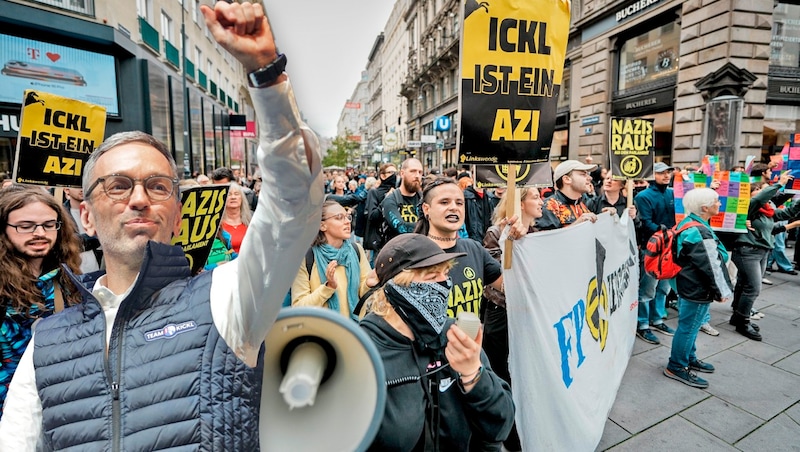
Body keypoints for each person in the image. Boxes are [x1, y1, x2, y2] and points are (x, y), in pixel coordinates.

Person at [0, 3, 323, 449]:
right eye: (117, 186)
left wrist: (265, 76)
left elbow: (294, 203)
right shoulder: (46, 342)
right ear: (86, 215)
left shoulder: (226, 299)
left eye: (157, 186)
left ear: (177, 214)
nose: (138, 199)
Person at [361, 233, 515, 450]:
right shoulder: (364, 351)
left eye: (445, 273)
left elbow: (500, 425)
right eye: (432, 277)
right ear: (397, 286)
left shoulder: (455, 335)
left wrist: (473, 375)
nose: (444, 283)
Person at [0, 187, 83, 419]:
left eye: (49, 225)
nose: (39, 233)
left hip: (58, 410)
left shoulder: (68, 278)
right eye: (25, 226)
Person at [481, 187, 543, 452]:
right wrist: (511, 240)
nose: (541, 201)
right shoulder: (496, 234)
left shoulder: (541, 235)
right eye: (536, 197)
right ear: (519, 204)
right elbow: (493, 282)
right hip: (502, 316)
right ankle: (509, 434)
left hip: (531, 314)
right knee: (504, 375)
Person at [664, 188, 732, 388]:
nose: (719, 204)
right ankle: (676, 366)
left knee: (690, 325)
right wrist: (721, 291)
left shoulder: (690, 223)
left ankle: (688, 357)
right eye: (717, 201)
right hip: (696, 288)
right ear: (705, 207)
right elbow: (711, 266)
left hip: (688, 285)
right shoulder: (699, 230)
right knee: (689, 327)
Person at [730, 173, 800, 340]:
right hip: (747, 251)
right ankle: (743, 322)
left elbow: (786, 214)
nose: (764, 192)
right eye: (760, 189)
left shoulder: (767, 211)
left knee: (743, 284)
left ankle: (738, 317)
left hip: (762, 251)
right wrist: (778, 184)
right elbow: (757, 200)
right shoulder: (750, 206)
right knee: (753, 288)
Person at [292, 200, 371, 319]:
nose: (347, 222)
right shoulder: (306, 257)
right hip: (322, 334)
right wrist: (328, 287)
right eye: (339, 217)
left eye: (348, 217)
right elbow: (299, 308)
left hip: (355, 331)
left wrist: (370, 283)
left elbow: (364, 295)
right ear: (322, 225)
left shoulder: (357, 250)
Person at [634, 162, 678, 344]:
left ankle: (657, 319)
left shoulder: (673, 193)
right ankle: (642, 324)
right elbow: (646, 222)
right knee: (647, 288)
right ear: (653, 175)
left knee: (663, 287)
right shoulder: (643, 196)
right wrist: (668, 233)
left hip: (670, 247)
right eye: (661, 173)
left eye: (668, 172)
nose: (666, 175)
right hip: (652, 248)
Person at [537, 159, 599, 230]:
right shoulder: (549, 206)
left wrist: (606, 216)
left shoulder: (583, 204)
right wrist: (576, 224)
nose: (590, 178)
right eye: (583, 174)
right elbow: (546, 239)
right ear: (566, 179)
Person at [381, 158, 424, 240]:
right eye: (413, 171)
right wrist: (427, 225)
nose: (417, 176)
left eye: (420, 172)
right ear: (402, 173)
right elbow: (401, 227)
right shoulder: (391, 199)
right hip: (398, 249)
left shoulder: (424, 198)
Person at [220, 182, 252, 254]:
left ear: (241, 198)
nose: (233, 197)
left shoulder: (252, 219)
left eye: (236, 194)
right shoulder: (217, 224)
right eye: (229, 194)